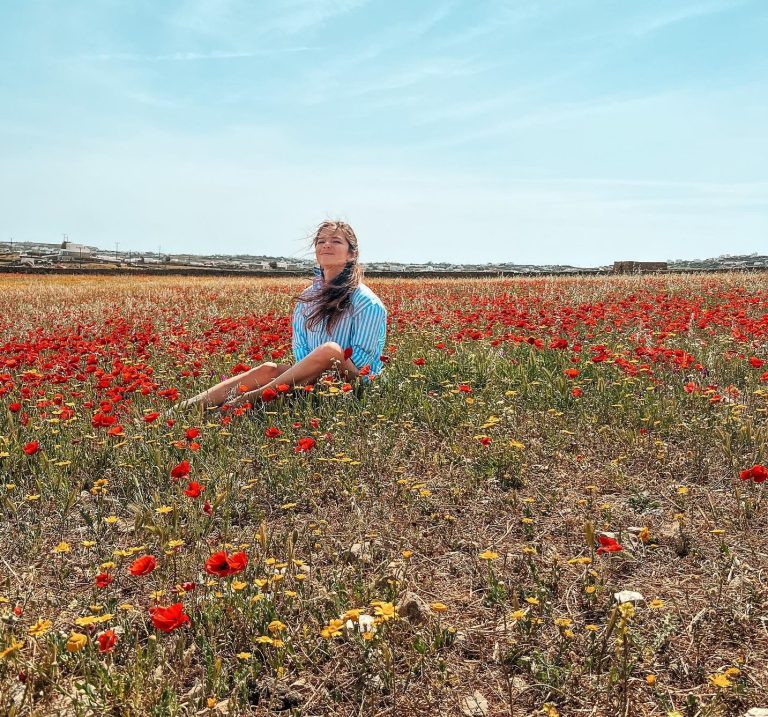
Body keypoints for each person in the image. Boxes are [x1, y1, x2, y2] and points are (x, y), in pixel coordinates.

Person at [174, 220, 387, 412]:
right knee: (268, 369)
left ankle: (246, 400)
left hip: (353, 379)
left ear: (352, 254)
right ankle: (184, 409)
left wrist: (321, 373)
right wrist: (309, 376)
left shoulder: (366, 301)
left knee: (330, 350)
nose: (326, 245)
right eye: (321, 241)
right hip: (311, 377)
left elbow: (363, 362)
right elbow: (300, 351)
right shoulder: (307, 298)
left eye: (336, 241)